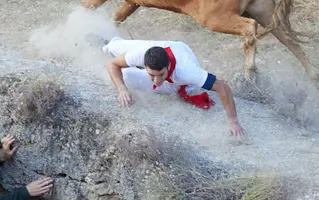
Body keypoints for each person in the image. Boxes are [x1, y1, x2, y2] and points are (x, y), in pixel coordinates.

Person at [101, 37, 244, 137]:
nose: (156, 81)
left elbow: (223, 87)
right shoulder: (142, 54)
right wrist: (121, 89)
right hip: (165, 46)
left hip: (180, 66)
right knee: (113, 47)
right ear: (144, 64)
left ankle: (163, 79)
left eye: (161, 74)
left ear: (168, 66)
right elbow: (112, 64)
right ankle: (105, 44)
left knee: (126, 75)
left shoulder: (187, 71)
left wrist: (233, 121)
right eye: (152, 75)